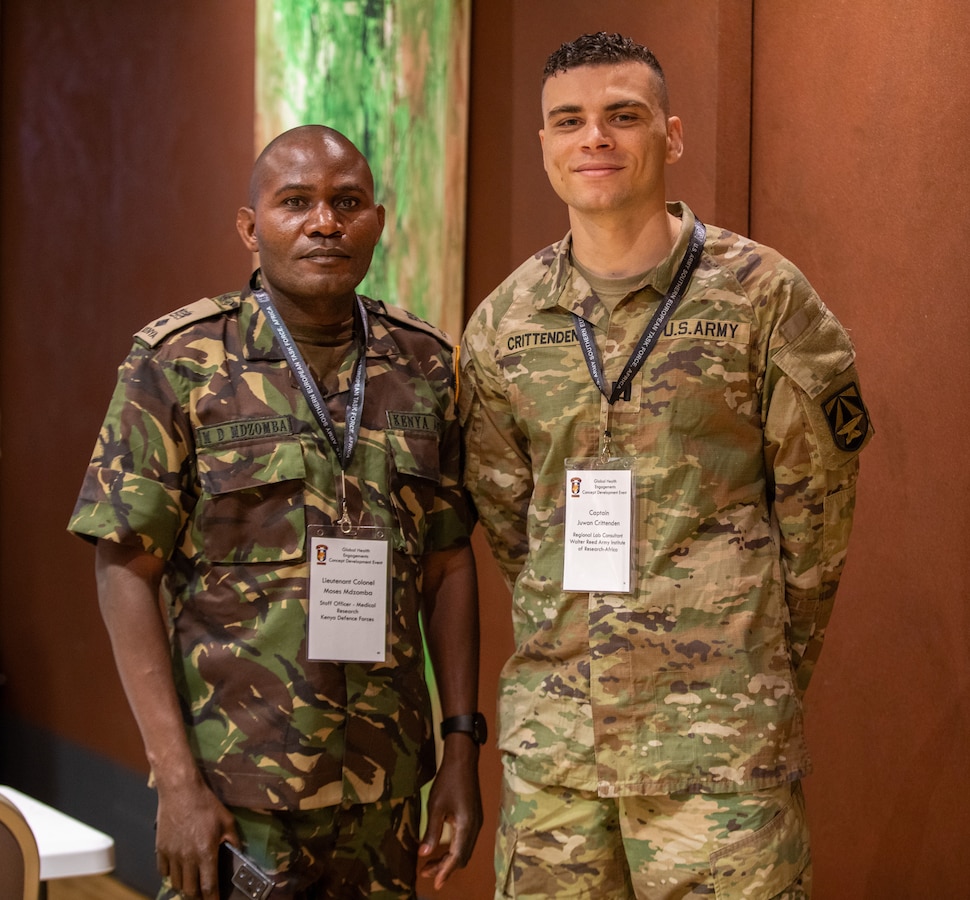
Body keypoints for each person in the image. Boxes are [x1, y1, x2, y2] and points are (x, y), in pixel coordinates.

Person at [459, 32, 871, 899]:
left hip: (716, 752)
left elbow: (817, 519)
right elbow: (507, 520)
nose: (594, 139)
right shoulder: (506, 323)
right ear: (544, 145)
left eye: (623, 116)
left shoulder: (764, 297)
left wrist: (748, 667)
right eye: (568, 121)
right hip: (558, 756)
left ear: (672, 136)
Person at [69, 124, 483, 900]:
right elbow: (124, 566)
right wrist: (176, 780)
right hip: (236, 789)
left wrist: (460, 746)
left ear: (378, 223)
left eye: (347, 203)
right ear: (250, 227)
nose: (325, 222)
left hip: (384, 787)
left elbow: (448, 564)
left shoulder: (424, 364)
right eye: (296, 203)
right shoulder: (178, 362)